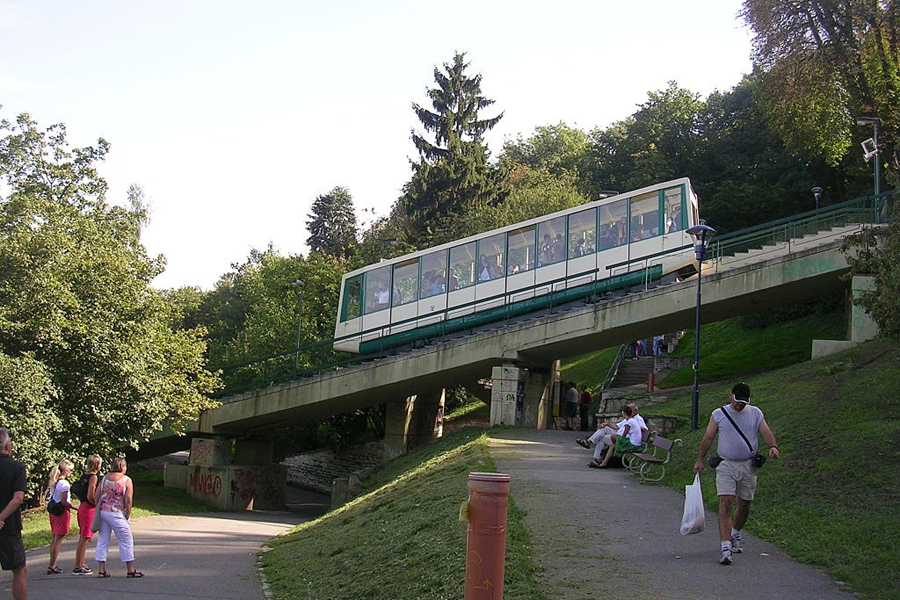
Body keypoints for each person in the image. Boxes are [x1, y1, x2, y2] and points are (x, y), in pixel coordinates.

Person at [693, 383, 780, 566]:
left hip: (748, 465)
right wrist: (700, 460)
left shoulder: (755, 413)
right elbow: (708, 437)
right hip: (726, 464)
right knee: (726, 503)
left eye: (743, 402)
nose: (740, 405)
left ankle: (736, 533)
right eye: (737, 400)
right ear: (730, 395)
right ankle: (725, 546)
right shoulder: (719, 414)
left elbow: (766, 432)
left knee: (744, 505)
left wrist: (773, 446)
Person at [94, 457, 142, 578]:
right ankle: (130, 569)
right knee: (126, 539)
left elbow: (96, 495)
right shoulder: (126, 480)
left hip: (104, 512)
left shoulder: (105, 478)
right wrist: (127, 514)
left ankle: (101, 570)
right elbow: (129, 499)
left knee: (103, 539)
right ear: (123, 467)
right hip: (117, 512)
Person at [0, 428, 28, 600]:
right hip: (8, 527)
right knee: (19, 569)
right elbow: (18, 498)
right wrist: (1, 517)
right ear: (8, 445)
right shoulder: (16, 467)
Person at [73, 455, 103, 575]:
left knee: (85, 537)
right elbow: (91, 494)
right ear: (97, 465)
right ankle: (78, 566)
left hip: (82, 507)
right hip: (88, 509)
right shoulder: (93, 477)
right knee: (85, 538)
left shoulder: (84, 476)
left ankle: (81, 563)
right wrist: (97, 504)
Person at [46, 459, 75, 575]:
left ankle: (52, 562)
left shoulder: (55, 482)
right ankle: (52, 564)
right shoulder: (64, 484)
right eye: (71, 470)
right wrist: (75, 507)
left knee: (54, 538)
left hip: (53, 512)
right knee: (59, 539)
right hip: (61, 512)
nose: (72, 472)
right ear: (66, 470)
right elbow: (64, 502)